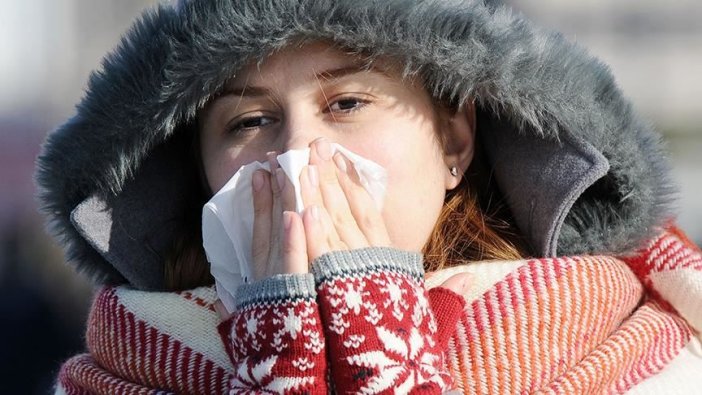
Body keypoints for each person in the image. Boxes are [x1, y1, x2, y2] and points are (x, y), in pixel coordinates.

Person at [35, 0, 702, 394]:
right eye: (248, 121)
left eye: (347, 102)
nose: (299, 152)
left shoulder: (641, 358)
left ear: (454, 139)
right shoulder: (120, 371)